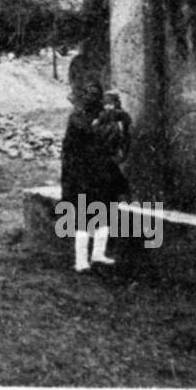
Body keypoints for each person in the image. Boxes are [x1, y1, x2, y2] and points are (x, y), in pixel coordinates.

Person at [60, 78, 125, 272]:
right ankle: (81, 260)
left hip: (101, 171)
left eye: (95, 93)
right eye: (88, 93)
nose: (92, 96)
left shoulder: (102, 116)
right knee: (83, 216)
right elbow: (83, 136)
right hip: (82, 172)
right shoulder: (78, 117)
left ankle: (98, 254)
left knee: (103, 213)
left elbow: (113, 140)